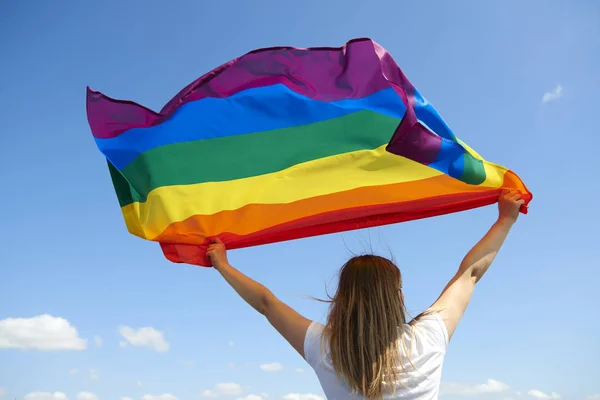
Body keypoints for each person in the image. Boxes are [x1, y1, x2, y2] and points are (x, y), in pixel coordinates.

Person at [206, 190, 525, 399]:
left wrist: (222, 265)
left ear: (342, 299)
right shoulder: (427, 339)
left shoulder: (325, 348)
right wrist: (505, 219)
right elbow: (470, 273)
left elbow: (266, 303)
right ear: (397, 298)